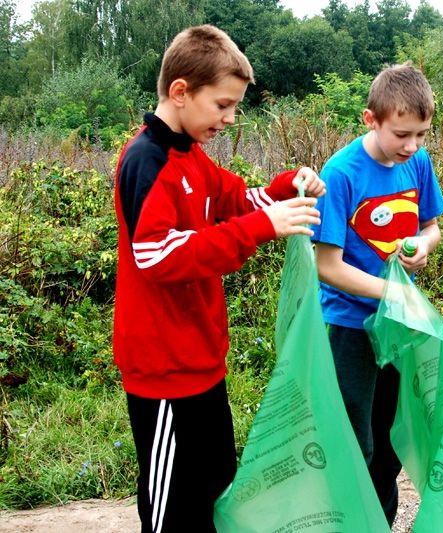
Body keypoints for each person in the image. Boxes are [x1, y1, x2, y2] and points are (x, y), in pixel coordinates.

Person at [113, 25, 324, 532]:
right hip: (163, 369)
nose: (229, 119)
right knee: (171, 512)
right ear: (181, 92)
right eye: (223, 105)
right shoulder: (149, 160)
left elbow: (237, 202)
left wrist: (286, 187)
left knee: (213, 491)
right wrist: (259, 227)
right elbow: (157, 256)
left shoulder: (191, 156)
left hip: (203, 361)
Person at [312, 63, 443, 525]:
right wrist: (394, 292)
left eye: (422, 135)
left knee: (389, 441)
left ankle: (380, 522)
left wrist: (421, 248)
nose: (411, 147)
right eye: (402, 134)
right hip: (350, 327)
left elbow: (431, 228)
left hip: (397, 324)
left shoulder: (418, 164)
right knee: (356, 441)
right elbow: (326, 266)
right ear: (371, 119)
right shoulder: (342, 172)